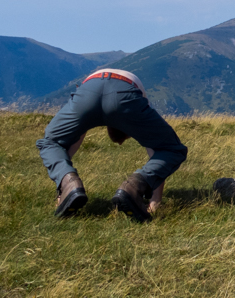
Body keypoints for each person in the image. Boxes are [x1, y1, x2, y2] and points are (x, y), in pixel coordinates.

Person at [36, 68, 187, 223]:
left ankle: (70, 185)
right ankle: (132, 188)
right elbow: (156, 149)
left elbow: (73, 140)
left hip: (88, 89)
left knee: (51, 142)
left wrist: (64, 183)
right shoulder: (139, 95)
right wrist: (155, 202)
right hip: (124, 90)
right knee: (171, 148)